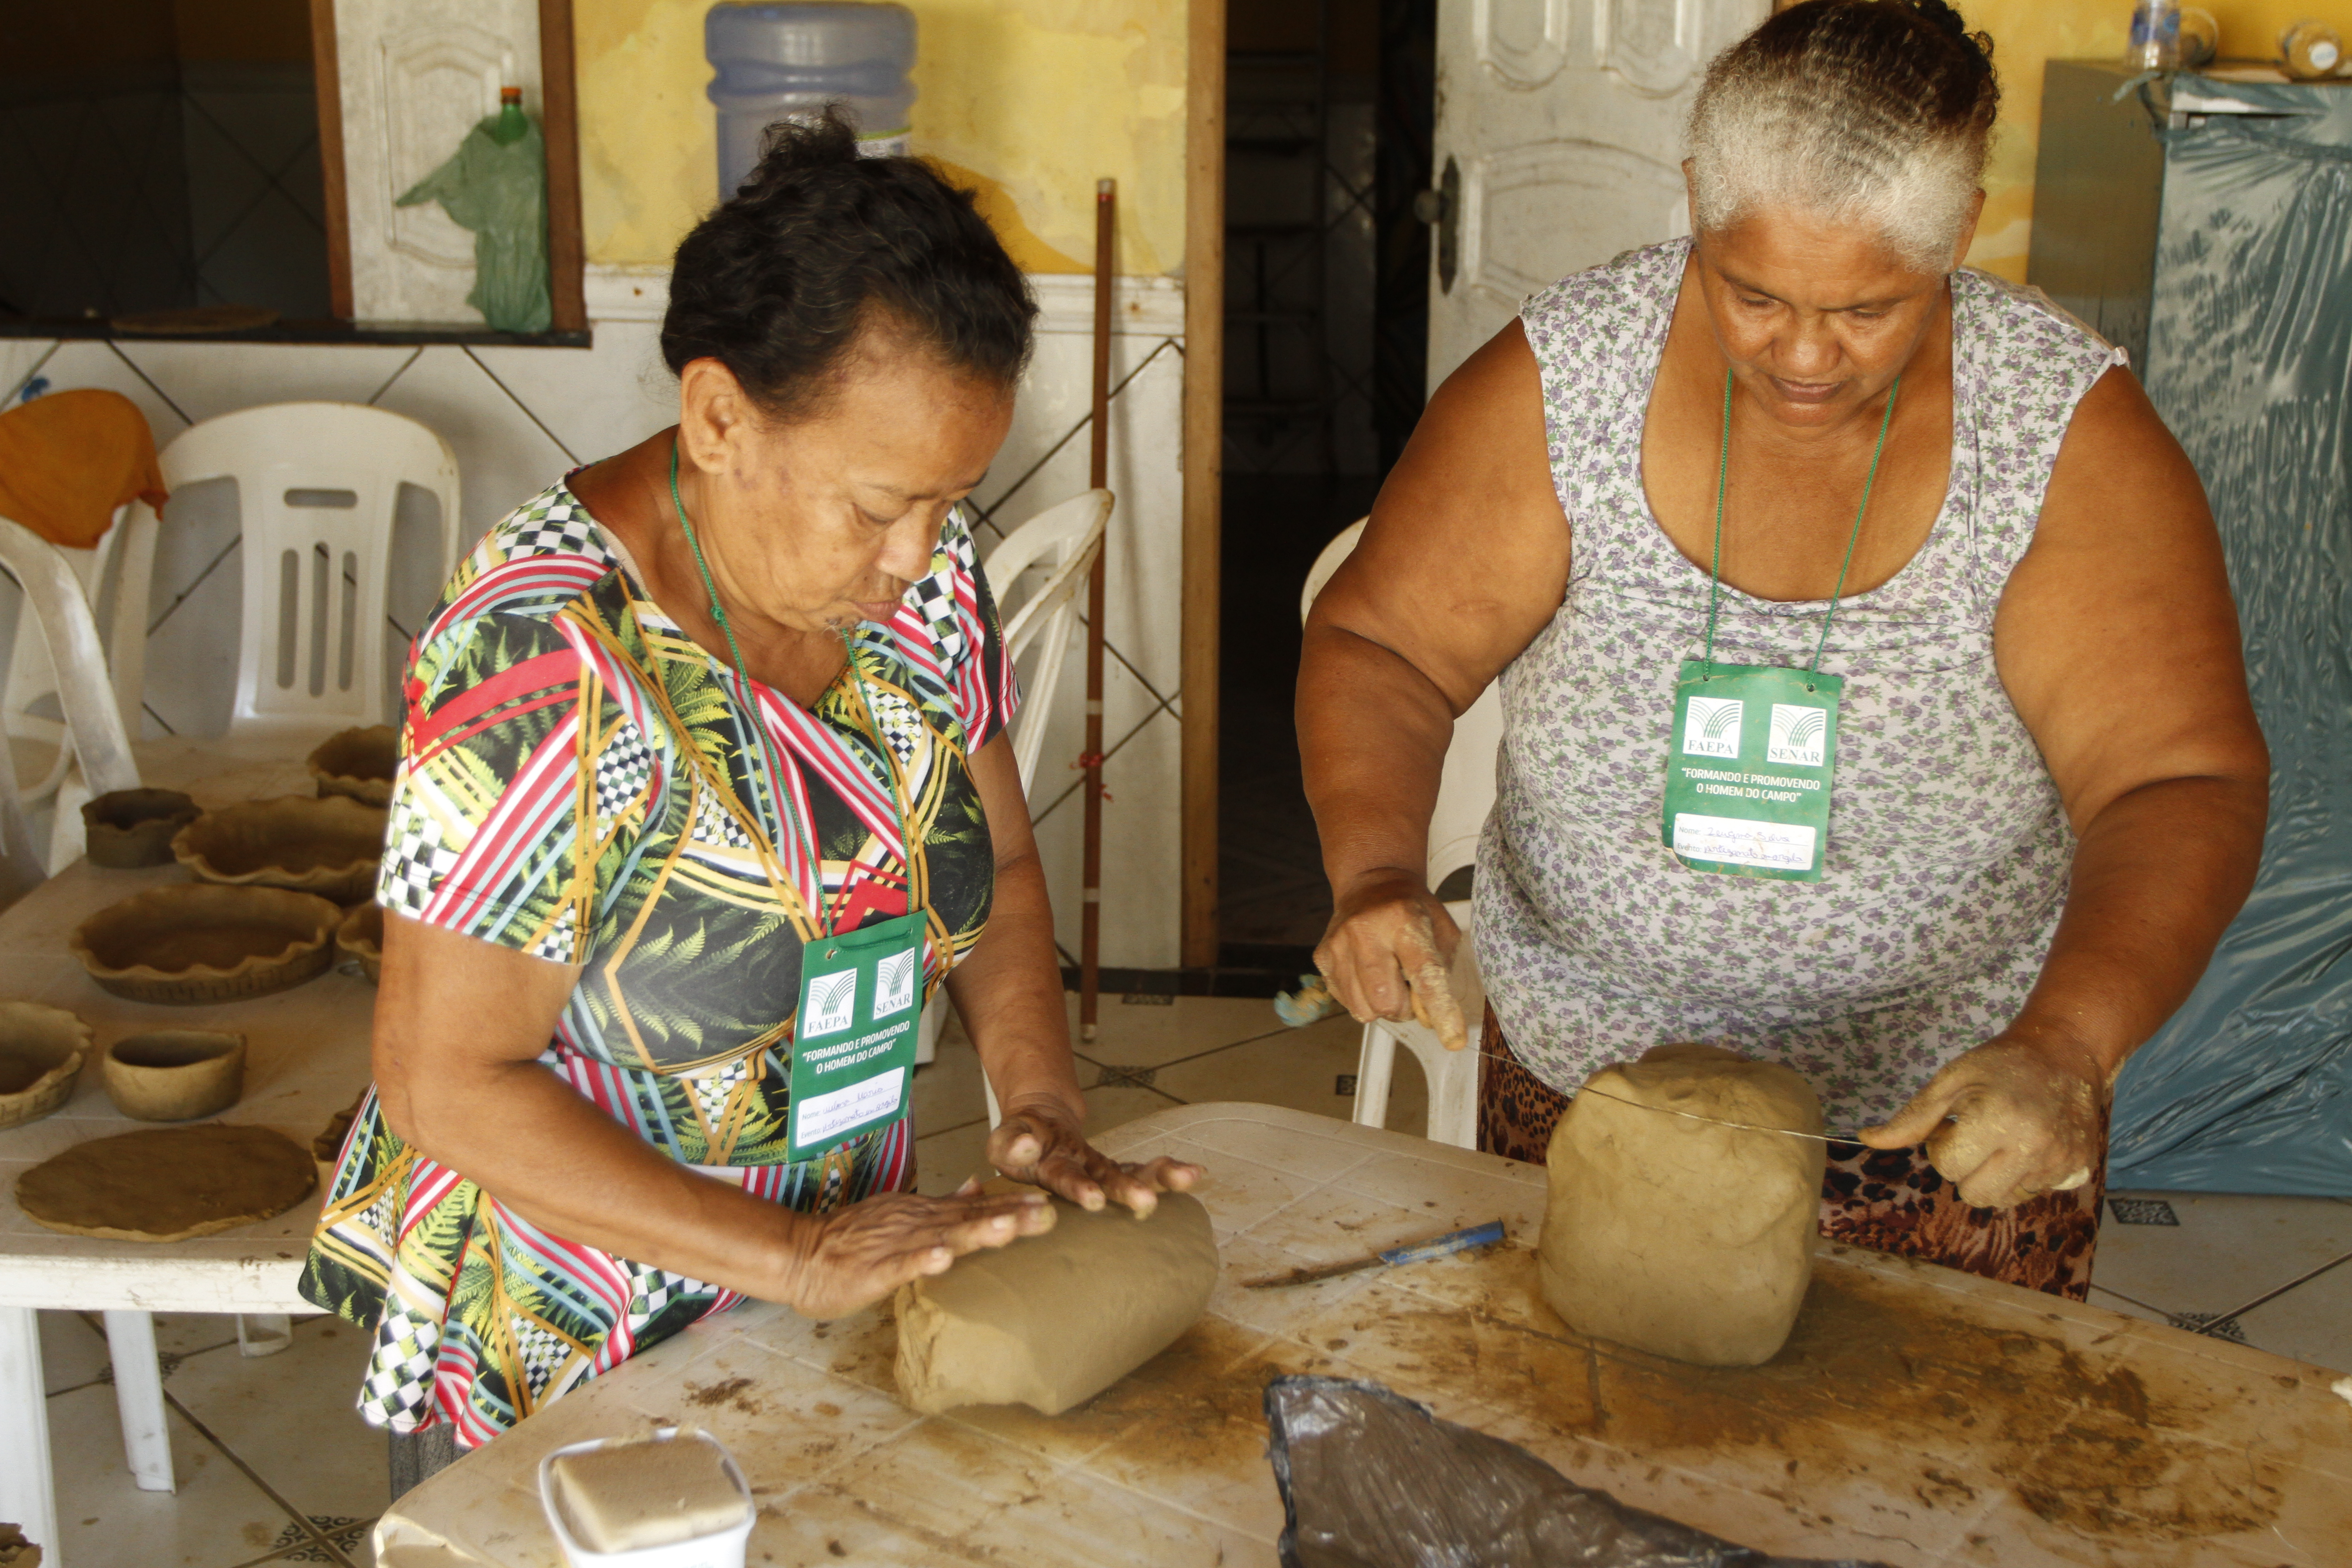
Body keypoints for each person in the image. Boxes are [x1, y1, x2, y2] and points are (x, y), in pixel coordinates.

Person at [1298, 0, 2267, 1298]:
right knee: (1581, 1439)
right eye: (1751, 293)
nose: (1804, 354)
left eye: (1870, 308)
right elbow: (1385, 647)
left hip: (1946, 1128)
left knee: (1921, 1482)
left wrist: (2067, 1047)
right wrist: (1373, 871)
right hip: (1593, 1099)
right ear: (1695, 200)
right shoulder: (1570, 376)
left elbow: (2175, 780)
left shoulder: (2059, 435)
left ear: (1960, 234)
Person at [299, 112, 1200, 1473]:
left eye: (950, 501)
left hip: (828, 1288)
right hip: (576, 1345)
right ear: (718, 417)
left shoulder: (925, 589)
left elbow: (1005, 869)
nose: (918, 553)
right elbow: (443, 1080)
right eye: (879, 504)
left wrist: (1041, 1107)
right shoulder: (545, 658)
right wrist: (793, 1253)